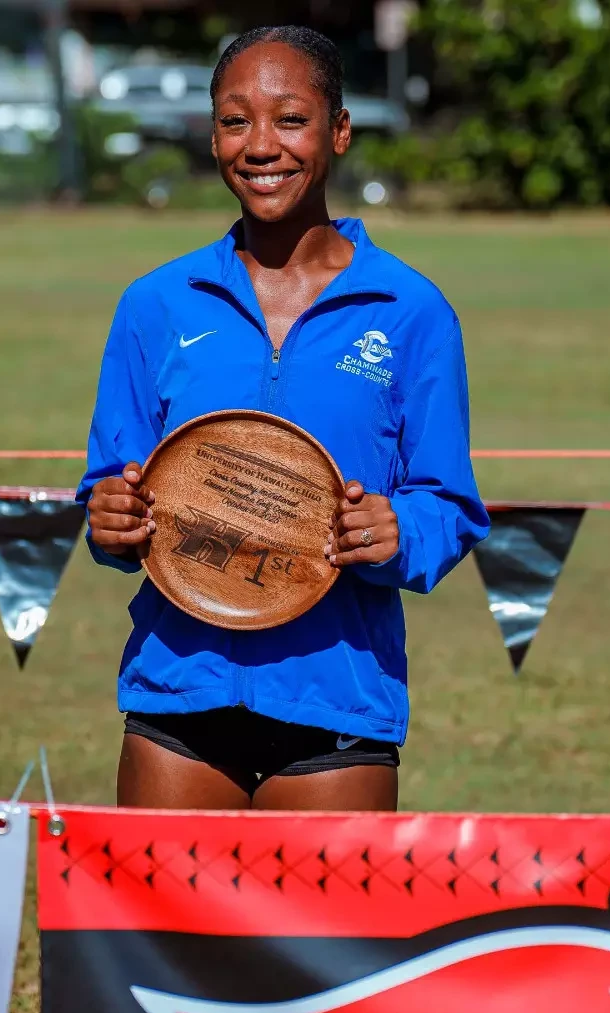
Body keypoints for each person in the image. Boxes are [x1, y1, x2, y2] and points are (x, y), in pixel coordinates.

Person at [77, 26, 487, 812]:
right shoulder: (156, 305)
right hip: (177, 693)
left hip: (337, 704)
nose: (261, 146)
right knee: (164, 936)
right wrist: (110, 519)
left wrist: (399, 531)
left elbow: (449, 503)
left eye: (290, 119)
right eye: (236, 121)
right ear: (212, 137)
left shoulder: (410, 312)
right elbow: (109, 488)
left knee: (323, 942)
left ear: (338, 130)